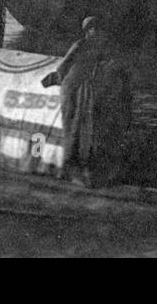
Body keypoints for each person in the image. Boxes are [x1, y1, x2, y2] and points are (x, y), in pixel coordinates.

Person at [40, 17, 133, 186]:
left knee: (85, 129)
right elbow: (63, 68)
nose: (99, 33)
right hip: (72, 90)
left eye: (100, 29)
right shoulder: (80, 45)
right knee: (73, 128)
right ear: (89, 31)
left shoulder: (99, 48)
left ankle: (84, 170)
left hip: (84, 91)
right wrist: (55, 79)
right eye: (95, 29)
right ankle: (71, 170)